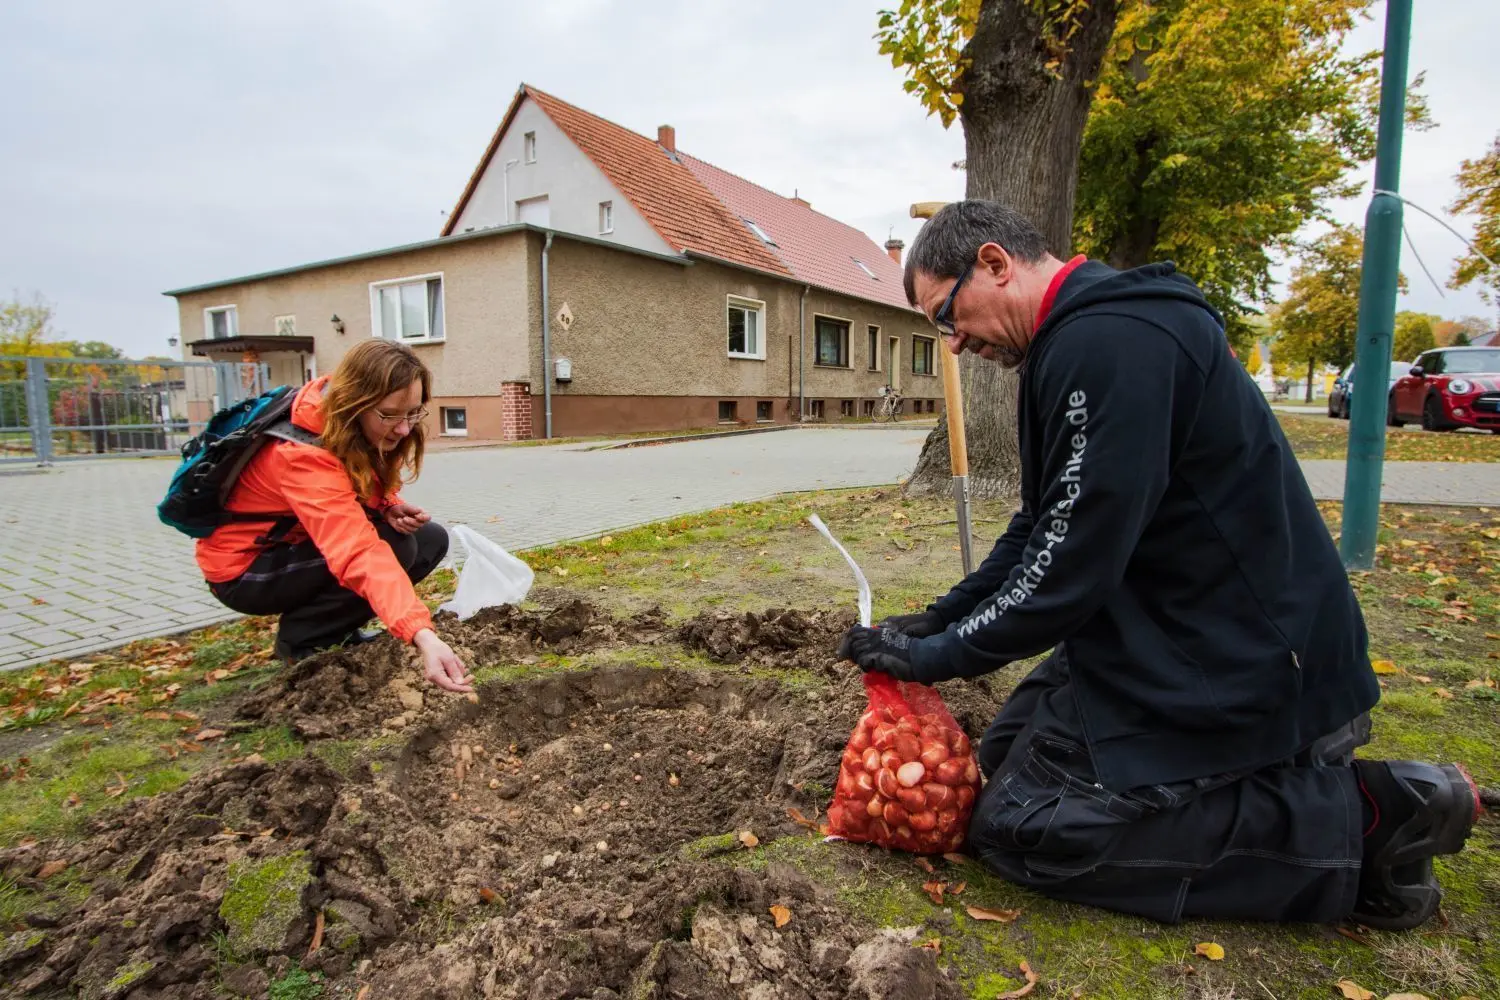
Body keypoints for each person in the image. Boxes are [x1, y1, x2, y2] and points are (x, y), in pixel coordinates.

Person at [836, 200, 1480, 929]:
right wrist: (938, 618)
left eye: (946, 316)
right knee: (1012, 749)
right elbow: (1040, 526)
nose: (951, 344)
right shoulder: (1077, 341)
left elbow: (1069, 568)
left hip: (1248, 660)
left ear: (994, 263)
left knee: (1023, 827)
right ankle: (1273, 765)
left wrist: (935, 657)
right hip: (1181, 630)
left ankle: (1366, 820)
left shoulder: (1108, 344)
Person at [198, 339, 473, 694]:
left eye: (413, 413)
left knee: (429, 539)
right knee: (393, 549)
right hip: (245, 570)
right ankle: (302, 641)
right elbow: (356, 551)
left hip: (292, 548)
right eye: (390, 415)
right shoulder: (301, 455)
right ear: (356, 402)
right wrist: (422, 635)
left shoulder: (340, 420)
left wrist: (387, 505)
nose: (405, 429)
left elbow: (353, 482)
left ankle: (333, 629)